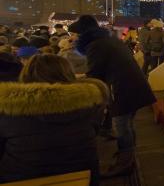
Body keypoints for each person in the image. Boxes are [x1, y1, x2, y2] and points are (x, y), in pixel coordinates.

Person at [0, 54, 108, 185]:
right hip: (83, 177)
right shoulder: (89, 102)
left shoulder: (9, 109)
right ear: (67, 73)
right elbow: (94, 131)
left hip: (21, 179)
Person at [70, 15, 156, 176]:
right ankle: (129, 157)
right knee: (127, 125)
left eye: (74, 35)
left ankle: (125, 162)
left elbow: (96, 74)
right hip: (133, 85)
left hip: (122, 88)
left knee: (122, 126)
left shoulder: (96, 45)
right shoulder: (108, 41)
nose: (72, 39)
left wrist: (78, 81)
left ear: (82, 33)